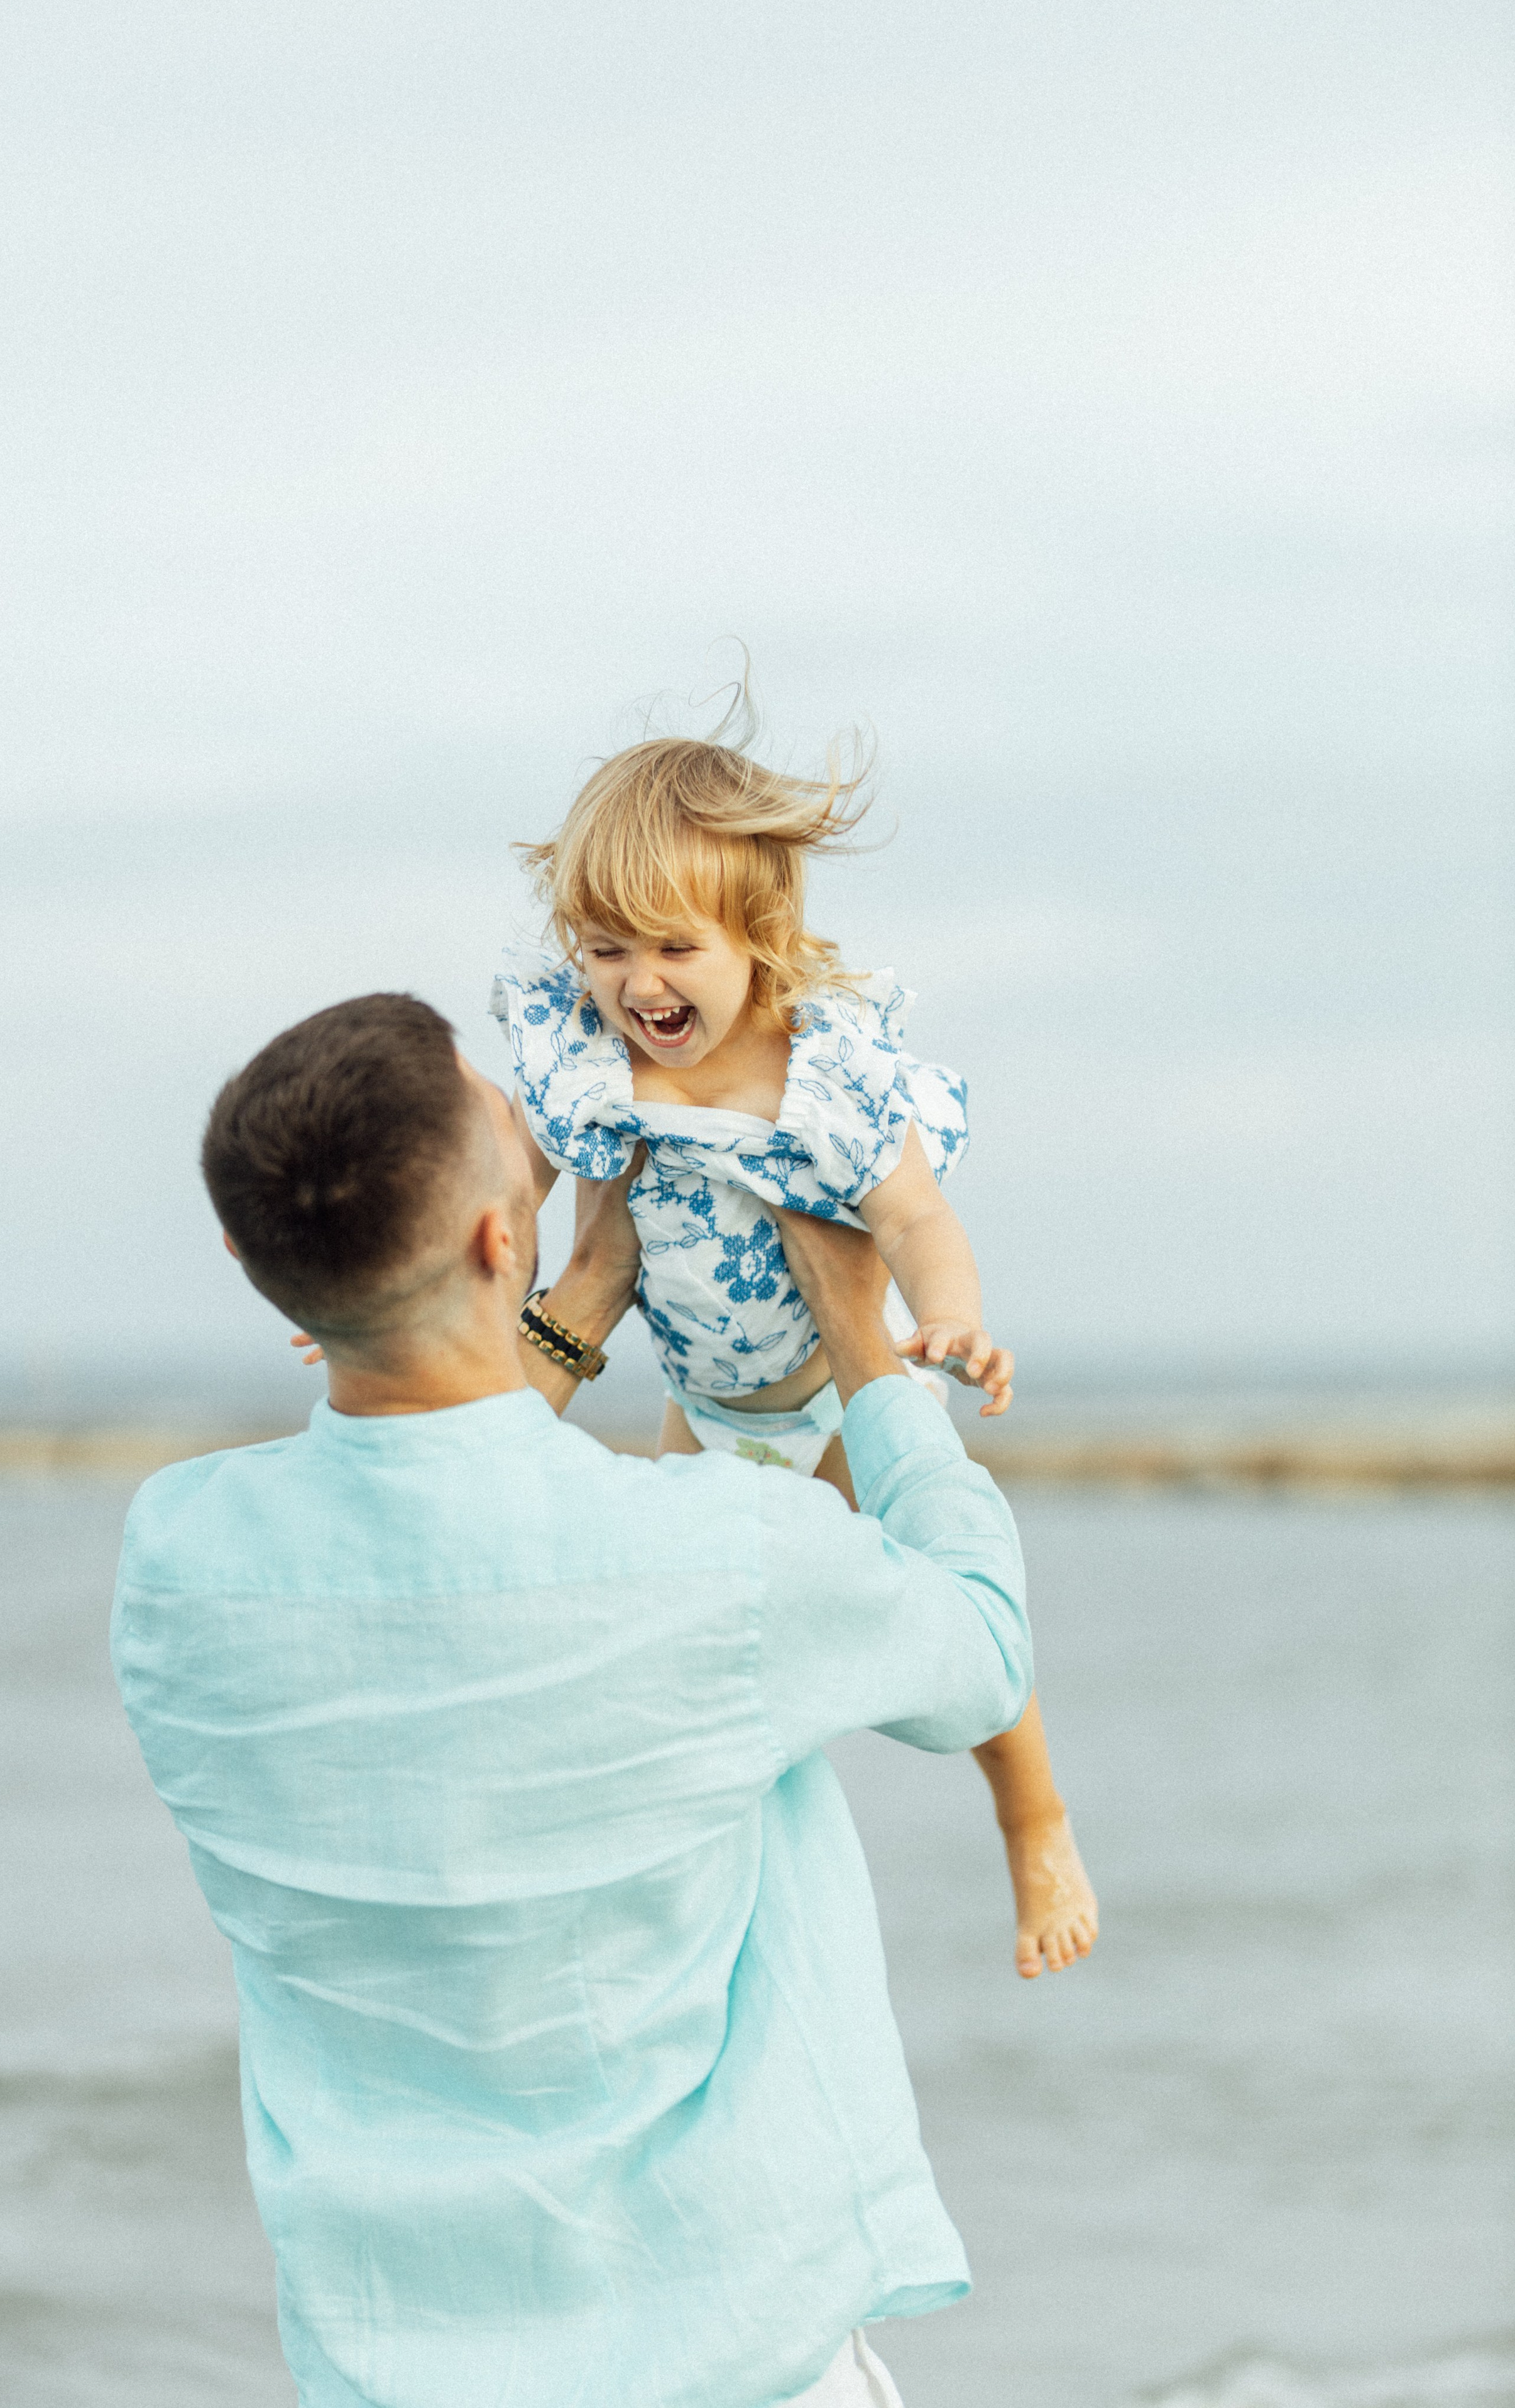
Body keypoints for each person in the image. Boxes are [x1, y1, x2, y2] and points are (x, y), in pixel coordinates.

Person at [113, 992, 1034, 2408]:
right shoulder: (713, 1555)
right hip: (731, 2360)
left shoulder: (175, 1565)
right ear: (500, 1236)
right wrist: (859, 1338)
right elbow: (979, 1643)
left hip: (390, 2366)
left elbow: (438, 1519)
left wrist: (578, 1303)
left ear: (249, 1260)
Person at [486, 728, 1098, 1978]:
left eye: (671, 947)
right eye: (604, 949)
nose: (635, 983)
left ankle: (1031, 1814)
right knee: (684, 1620)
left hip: (837, 1395)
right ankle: (695, 1866)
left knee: (945, 1601)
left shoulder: (824, 1081)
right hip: (700, 1397)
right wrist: (403, 1283)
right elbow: (507, 1184)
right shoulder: (589, 1067)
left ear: (756, 932)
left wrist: (954, 1317)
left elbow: (917, 1218)